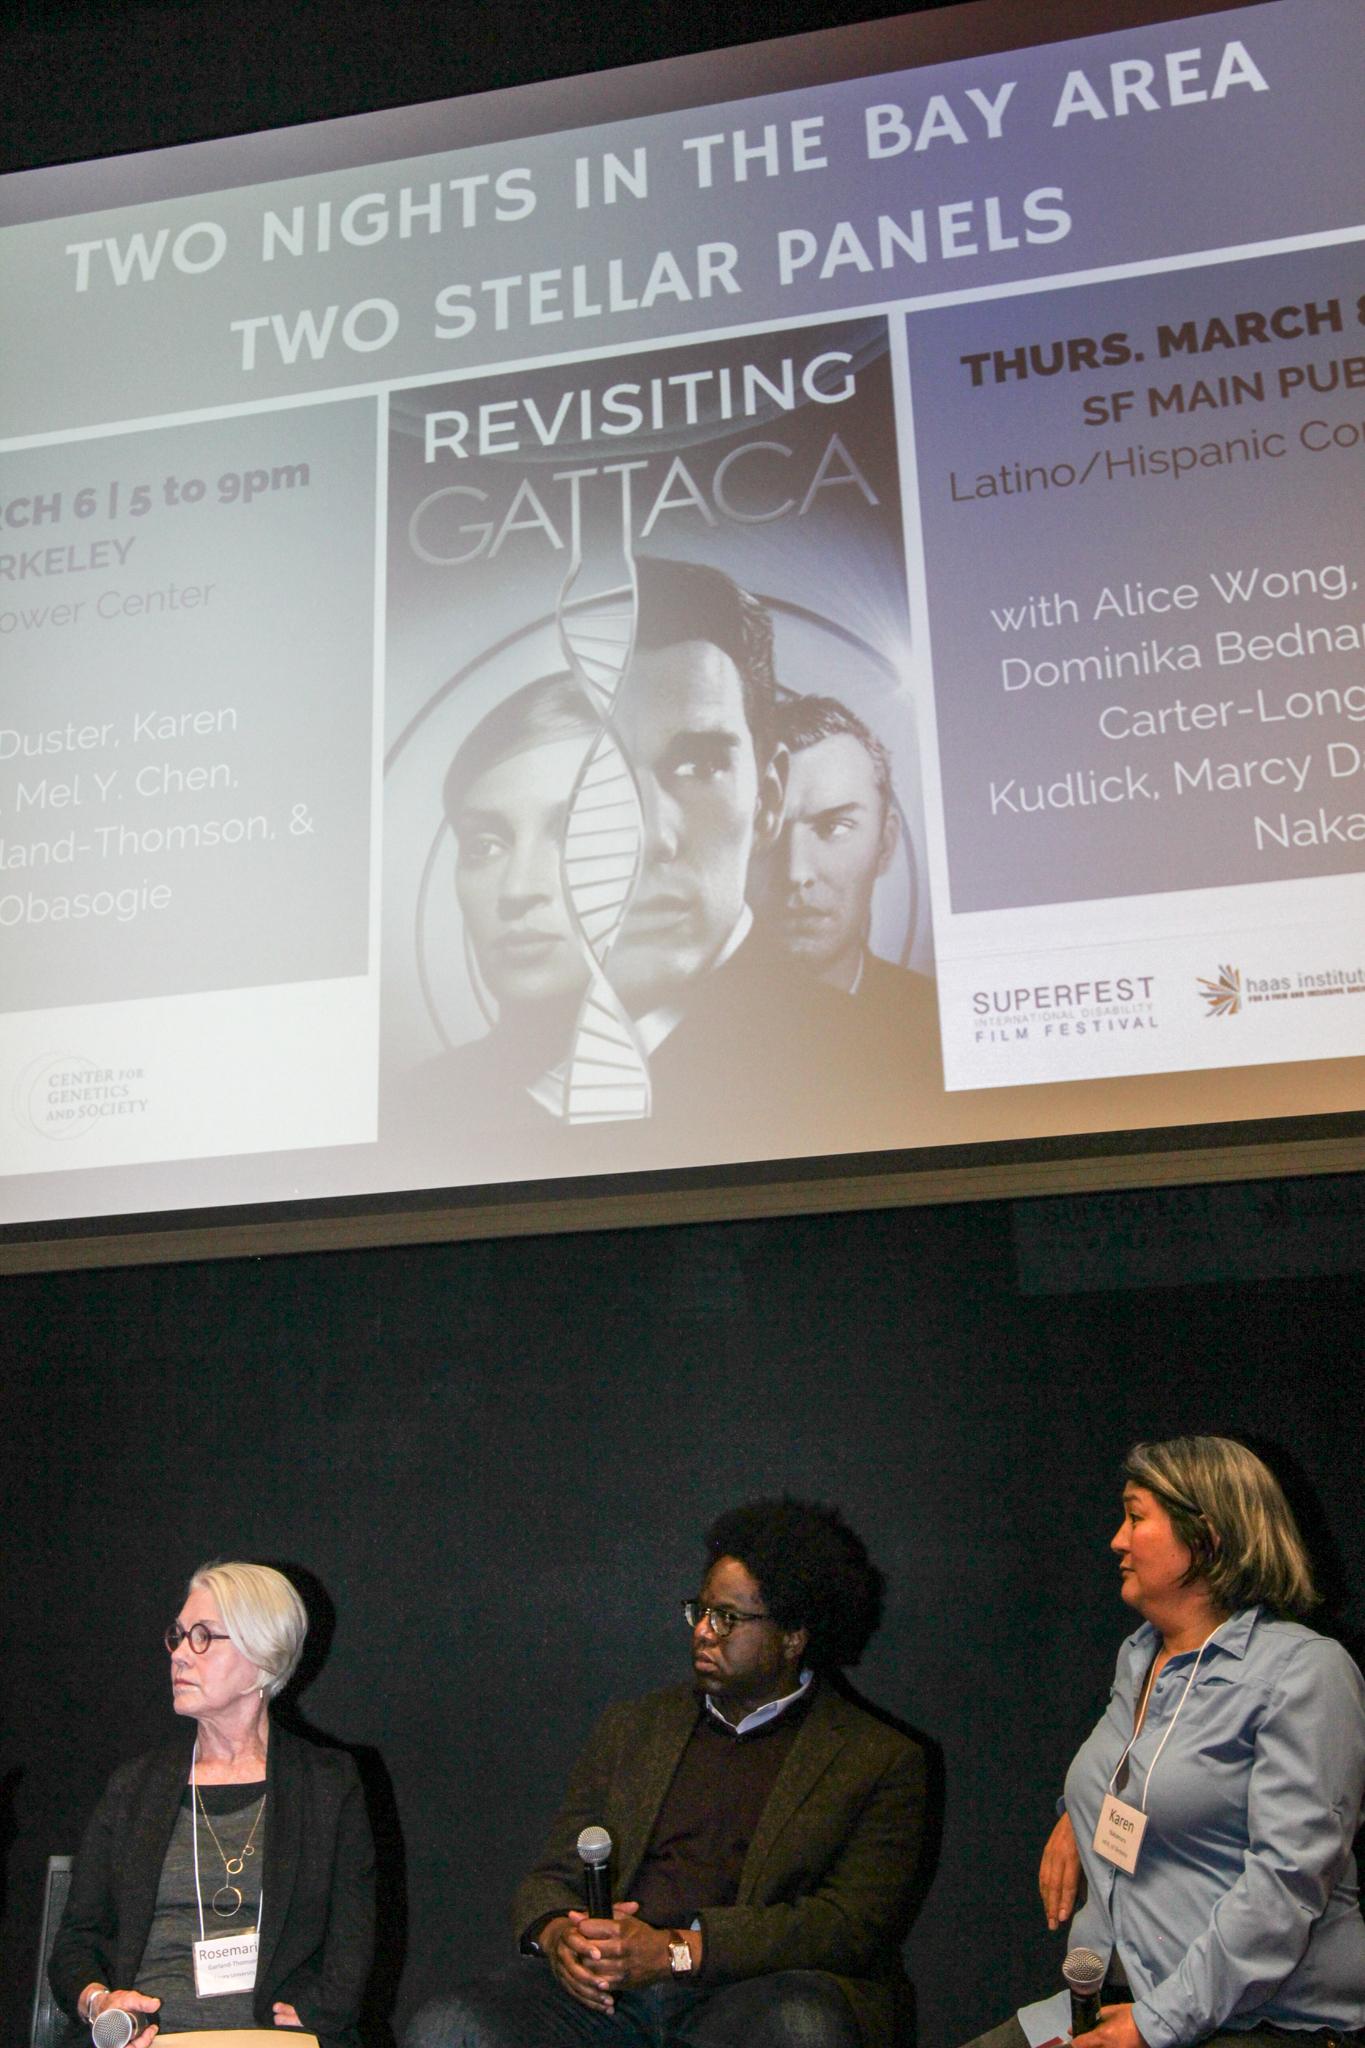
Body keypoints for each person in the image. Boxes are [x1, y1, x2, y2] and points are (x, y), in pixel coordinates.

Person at [407, 1498, 926, 2048]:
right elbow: (551, 1874)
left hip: (749, 1990)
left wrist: (680, 1950)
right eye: (699, 1611)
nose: (704, 1631)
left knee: (803, 2029)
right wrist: (559, 1936)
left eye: (728, 1618)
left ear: (792, 1636)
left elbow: (849, 1927)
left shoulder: (877, 1759)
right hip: (608, 1996)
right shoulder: (634, 1727)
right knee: (449, 2027)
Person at [964, 1436, 1365, 2048]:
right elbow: (1135, 1777)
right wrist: (1077, 1815)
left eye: (1134, 1516)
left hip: (1256, 2018)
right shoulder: (1140, 1655)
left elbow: (1285, 1885)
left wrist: (1157, 2025)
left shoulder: (1305, 1672)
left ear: (1204, 1537)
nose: (1116, 1541)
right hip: (1120, 1997)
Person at [49, 1561, 375, 2048]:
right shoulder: (134, 1788)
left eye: (203, 1636)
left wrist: (322, 2014)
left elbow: (353, 1940)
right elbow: (77, 1940)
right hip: (150, 2041)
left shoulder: (328, 1785)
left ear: (263, 1656)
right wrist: (99, 2003)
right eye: (178, 1636)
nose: (180, 1654)